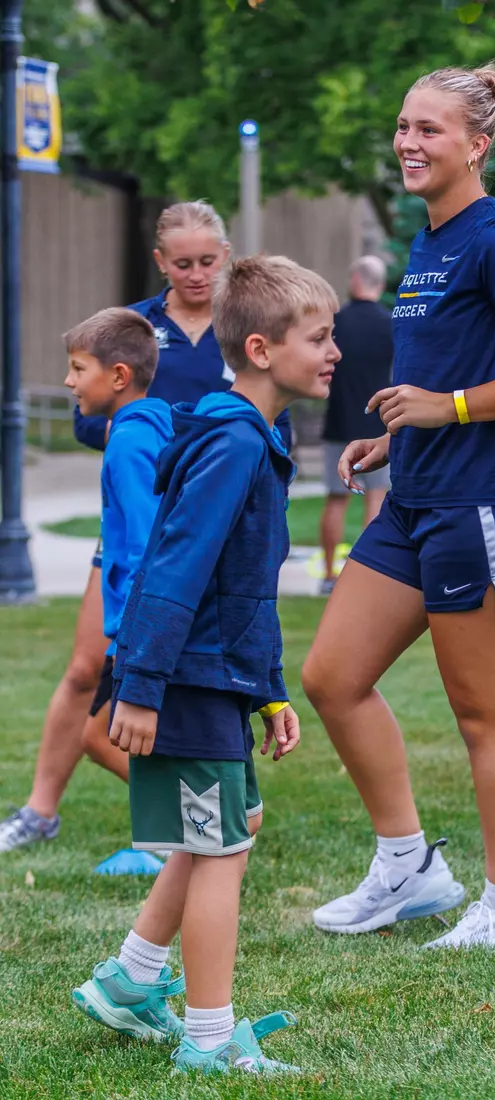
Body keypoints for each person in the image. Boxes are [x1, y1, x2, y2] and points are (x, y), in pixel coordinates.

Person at [301, 64, 495, 949]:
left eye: (428, 129)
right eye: (401, 126)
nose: (407, 143)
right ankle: (410, 868)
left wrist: (447, 409)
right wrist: (398, 434)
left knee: (484, 716)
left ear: (478, 142)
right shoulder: (430, 243)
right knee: (331, 678)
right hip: (417, 495)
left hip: (487, 506)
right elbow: (457, 366)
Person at [72, 255, 339, 1077]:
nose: (334, 352)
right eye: (319, 337)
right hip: (179, 680)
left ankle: (130, 980)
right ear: (260, 349)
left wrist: (266, 694)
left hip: (211, 677)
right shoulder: (230, 440)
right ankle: (210, 1038)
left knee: (227, 829)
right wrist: (142, 687)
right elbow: (175, 564)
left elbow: (240, 590)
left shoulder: (250, 432)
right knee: (221, 849)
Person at [0, 200, 292, 853]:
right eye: (181, 262)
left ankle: (214, 803)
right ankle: (41, 810)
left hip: (202, 531)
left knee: (197, 668)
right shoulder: (134, 326)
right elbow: (92, 414)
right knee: (88, 669)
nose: (195, 274)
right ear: (160, 261)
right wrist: (136, 434)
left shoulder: (244, 325)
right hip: (140, 528)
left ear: (226, 255)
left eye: (208, 261)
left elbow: (274, 425)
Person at [63, 308, 173, 770]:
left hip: (139, 632)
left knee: (103, 736)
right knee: (107, 735)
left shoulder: (128, 443)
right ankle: (196, 834)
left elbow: (147, 547)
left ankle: (215, 823)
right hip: (139, 632)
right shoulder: (154, 425)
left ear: (119, 376)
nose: (69, 382)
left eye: (78, 368)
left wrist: (136, 642)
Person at [318, 255, 393, 595]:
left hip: (338, 420)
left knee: (336, 500)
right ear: (380, 283)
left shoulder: (334, 324)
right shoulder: (390, 323)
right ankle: (366, 576)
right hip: (378, 425)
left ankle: (328, 574)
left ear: (353, 280)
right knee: (375, 500)